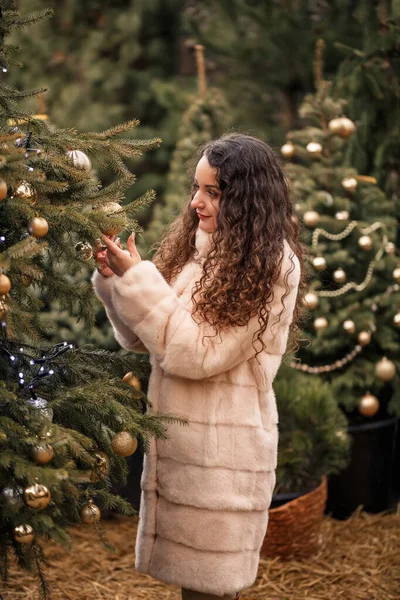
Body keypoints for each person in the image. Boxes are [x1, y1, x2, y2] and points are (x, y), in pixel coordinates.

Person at [91, 133, 306, 600]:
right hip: (184, 449)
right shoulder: (198, 249)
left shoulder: (271, 265)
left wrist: (139, 280)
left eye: (213, 192)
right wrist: (117, 283)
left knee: (209, 591)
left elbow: (196, 354)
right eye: (196, 188)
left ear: (246, 197)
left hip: (221, 455)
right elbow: (146, 339)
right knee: (196, 590)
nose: (196, 203)